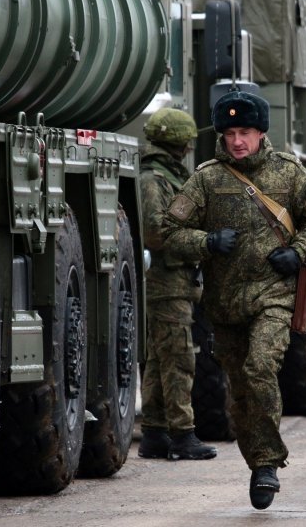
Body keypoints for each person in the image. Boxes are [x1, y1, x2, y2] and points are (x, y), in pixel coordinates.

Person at [163, 90, 306, 510]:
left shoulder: (289, 173)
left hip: (274, 298)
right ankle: (256, 458)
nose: (238, 141)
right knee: (239, 390)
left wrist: (299, 251)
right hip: (225, 305)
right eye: (231, 133)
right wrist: (206, 241)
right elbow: (168, 232)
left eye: (246, 132)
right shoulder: (207, 178)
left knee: (261, 367)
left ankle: (268, 464)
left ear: (261, 133)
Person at [137, 108, 217, 461]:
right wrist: (203, 241)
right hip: (166, 283)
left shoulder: (169, 175)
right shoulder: (154, 179)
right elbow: (155, 232)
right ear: (181, 142)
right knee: (180, 358)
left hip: (177, 281)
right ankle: (183, 435)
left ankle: (154, 433)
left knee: (159, 358)